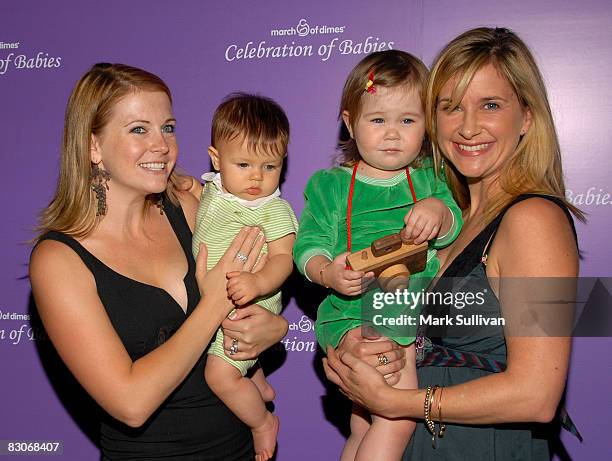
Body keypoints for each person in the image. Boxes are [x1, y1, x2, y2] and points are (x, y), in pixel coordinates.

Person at [323, 27, 583, 460]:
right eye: (450, 107)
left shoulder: (535, 220)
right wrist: (353, 350)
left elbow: (537, 395)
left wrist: (399, 403)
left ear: (528, 117)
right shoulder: (446, 223)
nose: (467, 127)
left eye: (491, 105)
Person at [29, 63, 288, 460]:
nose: (162, 145)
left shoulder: (193, 206)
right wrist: (214, 303)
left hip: (240, 449)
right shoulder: (58, 261)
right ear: (93, 146)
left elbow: (268, 276)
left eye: (167, 127)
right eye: (138, 129)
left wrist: (274, 327)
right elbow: (130, 404)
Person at [294, 50, 463, 461]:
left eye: (407, 120)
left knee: (364, 423)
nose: (392, 134)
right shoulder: (330, 185)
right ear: (350, 123)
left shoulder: (431, 180)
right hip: (353, 309)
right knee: (398, 418)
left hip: (403, 302)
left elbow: (454, 225)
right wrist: (327, 273)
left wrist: (438, 213)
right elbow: (308, 244)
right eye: (377, 120)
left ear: (426, 124)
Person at [192, 93, 297, 461]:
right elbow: (201, 193)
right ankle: (257, 382)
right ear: (216, 160)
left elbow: (284, 259)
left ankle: (262, 423)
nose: (256, 176)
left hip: (247, 306)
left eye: (269, 167)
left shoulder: (273, 209)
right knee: (234, 364)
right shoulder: (215, 188)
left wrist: (258, 283)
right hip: (215, 304)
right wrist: (188, 187)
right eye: (244, 164)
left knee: (219, 376)